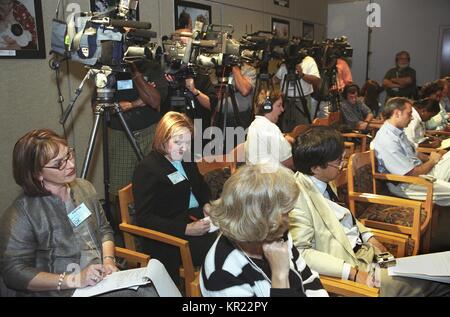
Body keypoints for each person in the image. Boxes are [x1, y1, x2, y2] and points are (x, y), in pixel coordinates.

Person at [290, 126, 450, 296]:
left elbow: (347, 219)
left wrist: (374, 241)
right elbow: (302, 253)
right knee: (435, 282)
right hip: (353, 270)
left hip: (368, 256)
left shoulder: (323, 179)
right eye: (338, 161)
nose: (343, 164)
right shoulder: (296, 197)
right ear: (315, 167)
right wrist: (353, 273)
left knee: (436, 275)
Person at [0, 129, 158, 297]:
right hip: (63, 289)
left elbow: (104, 230)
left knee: (153, 288)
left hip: (100, 278)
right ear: (37, 173)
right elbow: (14, 273)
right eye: (59, 163)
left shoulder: (84, 188)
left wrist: (109, 261)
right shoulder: (22, 213)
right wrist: (75, 279)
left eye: (69, 154)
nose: (71, 165)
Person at [200, 163, 328, 297]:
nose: (289, 220)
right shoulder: (222, 273)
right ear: (260, 220)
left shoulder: (276, 233)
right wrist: (279, 275)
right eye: (286, 213)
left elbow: (308, 279)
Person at [133, 112, 216, 281]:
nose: (184, 148)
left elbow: (200, 186)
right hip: (169, 236)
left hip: (195, 219)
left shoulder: (185, 158)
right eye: (178, 142)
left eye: (187, 142)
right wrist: (186, 229)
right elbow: (145, 218)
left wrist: (207, 204)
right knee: (222, 248)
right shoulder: (147, 168)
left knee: (236, 235)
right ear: (163, 139)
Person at [372, 97, 450, 206]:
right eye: (409, 114)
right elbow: (410, 174)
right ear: (397, 113)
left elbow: (414, 152)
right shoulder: (387, 139)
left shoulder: (398, 132)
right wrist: (432, 161)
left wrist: (431, 158)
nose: (412, 118)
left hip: (420, 174)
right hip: (408, 185)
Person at [107, 60, 167, 200]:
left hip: (150, 132)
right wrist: (138, 102)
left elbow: (154, 101)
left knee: (156, 183)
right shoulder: (110, 69)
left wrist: (135, 73)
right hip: (120, 136)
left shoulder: (152, 67)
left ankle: (150, 220)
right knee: (120, 189)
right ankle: (123, 222)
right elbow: (98, 105)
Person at [245, 89, 294, 169]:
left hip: (256, 177)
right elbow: (288, 162)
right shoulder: (271, 128)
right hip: (271, 179)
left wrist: (283, 136)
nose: (282, 109)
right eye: (279, 105)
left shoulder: (254, 125)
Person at [274, 52, 321, 131]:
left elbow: (317, 81)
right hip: (285, 100)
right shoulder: (286, 62)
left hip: (302, 100)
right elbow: (276, 79)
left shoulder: (309, 60)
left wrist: (302, 74)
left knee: (303, 129)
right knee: (284, 127)